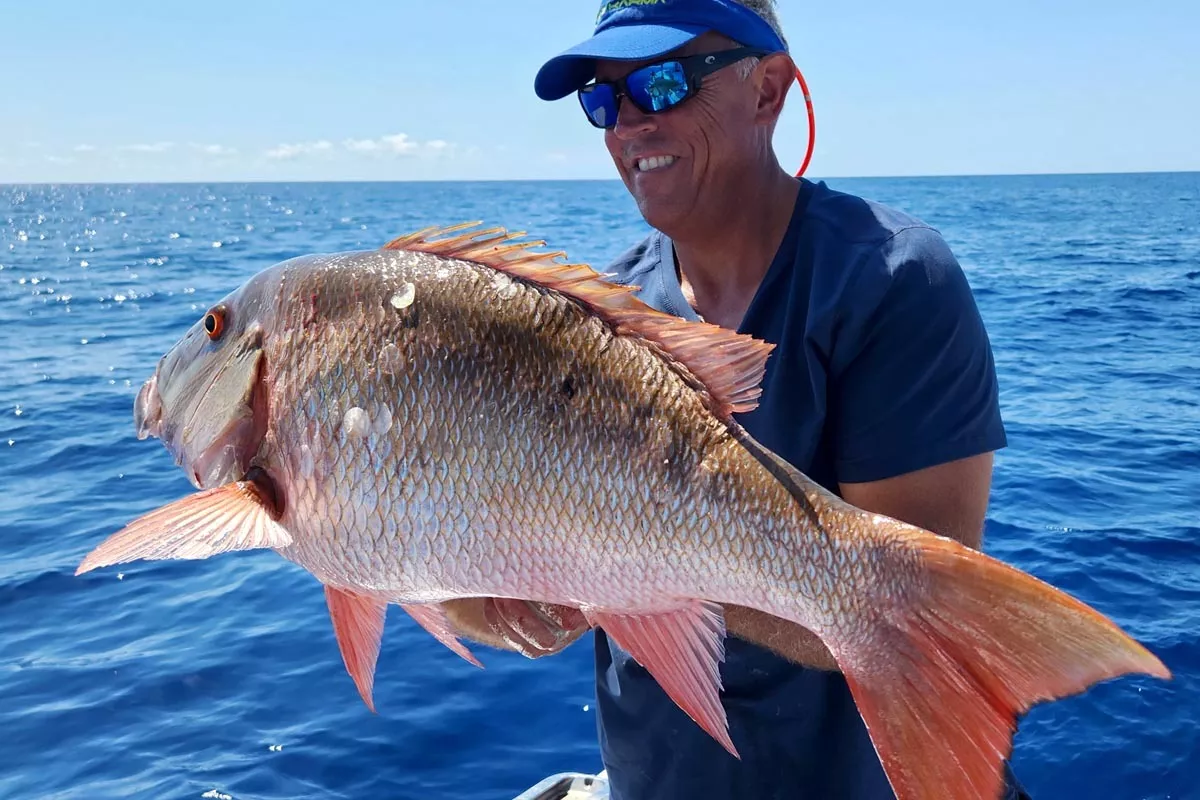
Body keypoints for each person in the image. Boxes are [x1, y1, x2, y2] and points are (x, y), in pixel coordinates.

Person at [444, 1, 1029, 797]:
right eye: (603, 102)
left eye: (660, 82)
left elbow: (912, 618)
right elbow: (505, 601)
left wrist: (616, 554)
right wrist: (496, 596)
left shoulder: (889, 279)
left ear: (769, 89)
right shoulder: (601, 313)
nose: (628, 126)